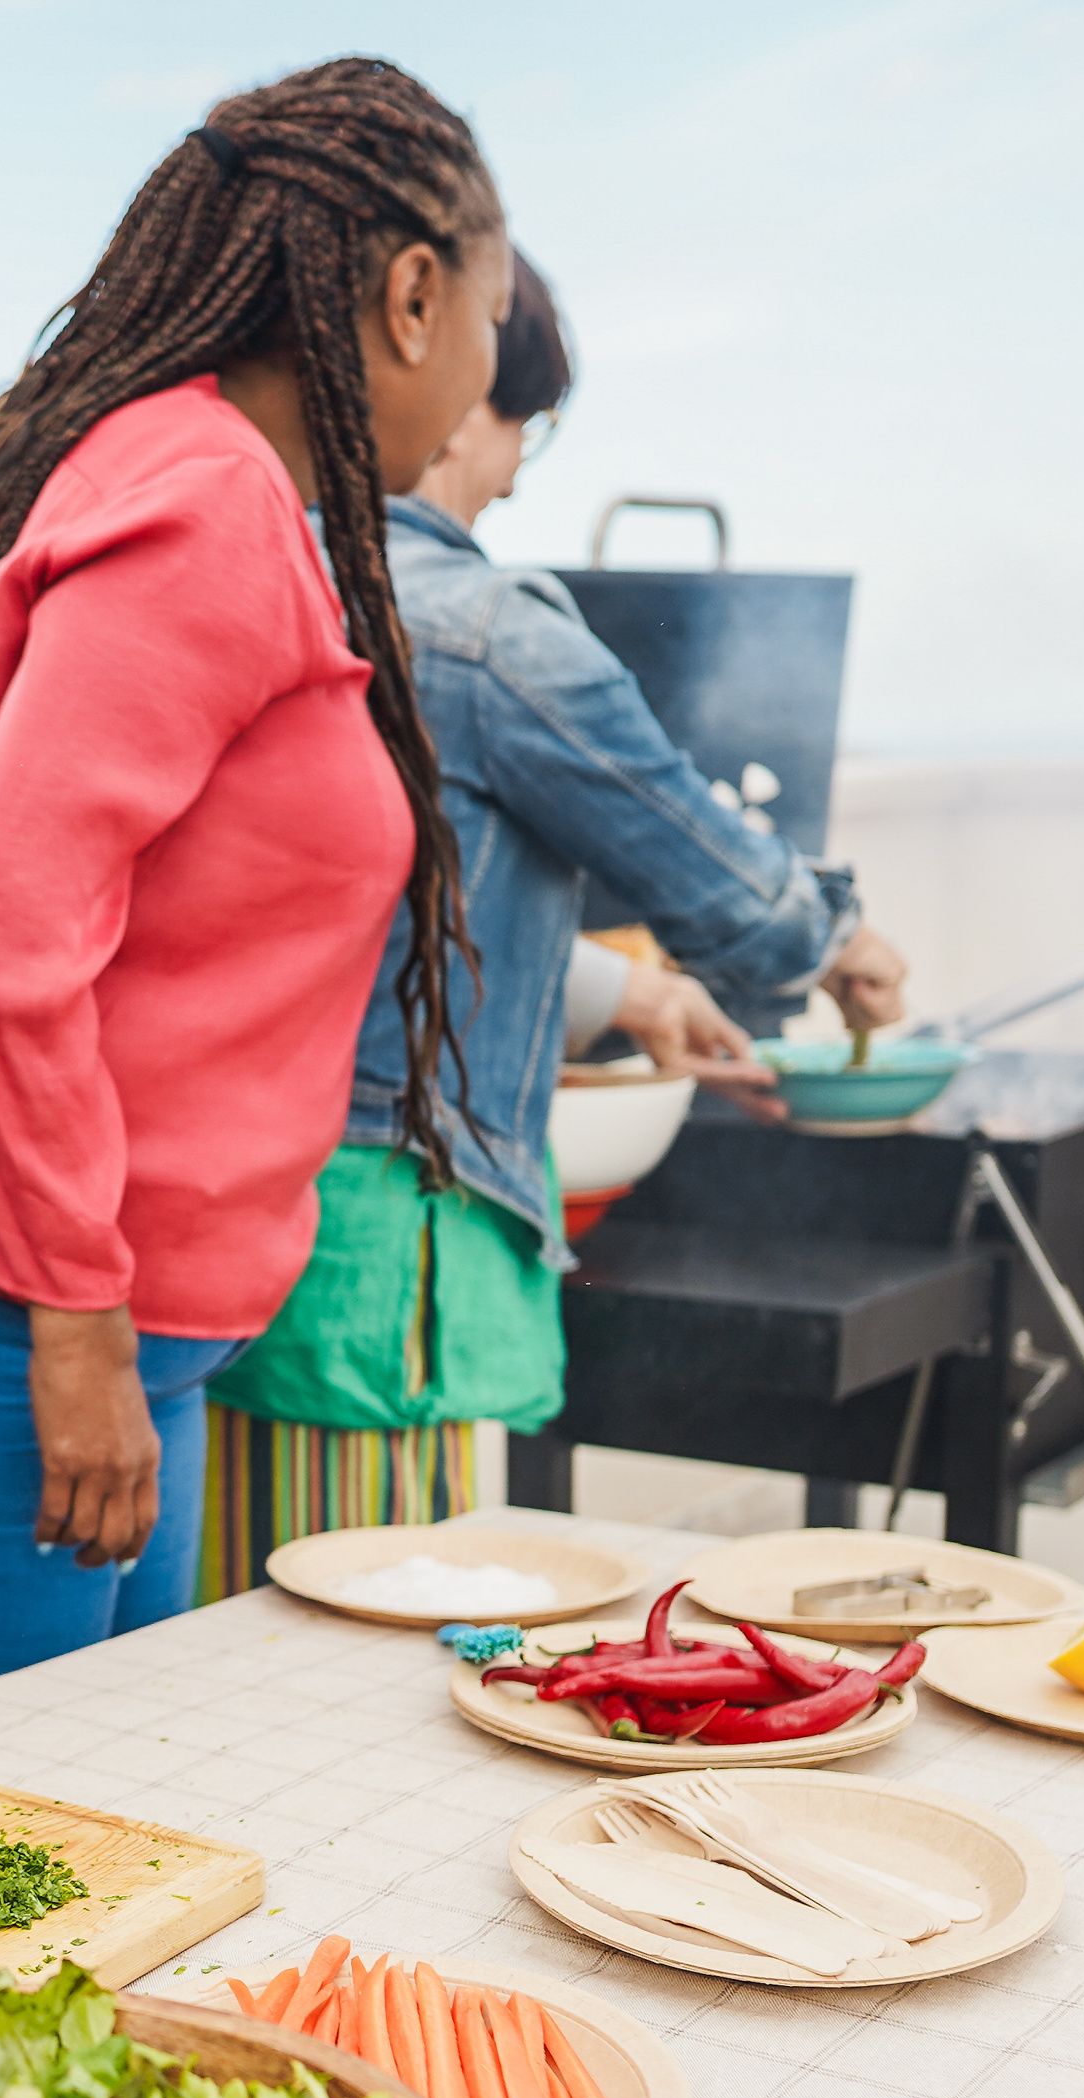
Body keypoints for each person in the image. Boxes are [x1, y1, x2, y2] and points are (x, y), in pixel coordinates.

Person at [0, 60, 507, 1718]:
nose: (488, 377)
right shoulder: (203, 497)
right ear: (415, 295)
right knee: (11, 1877)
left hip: (59, 1308)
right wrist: (75, 1327)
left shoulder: (197, 483)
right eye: (497, 320)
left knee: (97, 1846)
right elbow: (11, 927)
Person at [197, 249, 911, 1592]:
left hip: (213, 1221)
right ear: (453, 391)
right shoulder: (478, 625)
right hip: (377, 1247)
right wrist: (835, 943)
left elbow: (364, 901)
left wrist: (627, 996)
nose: (520, 473)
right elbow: (701, 859)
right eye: (525, 427)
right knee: (357, 1646)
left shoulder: (245, 581)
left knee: (226, 1634)